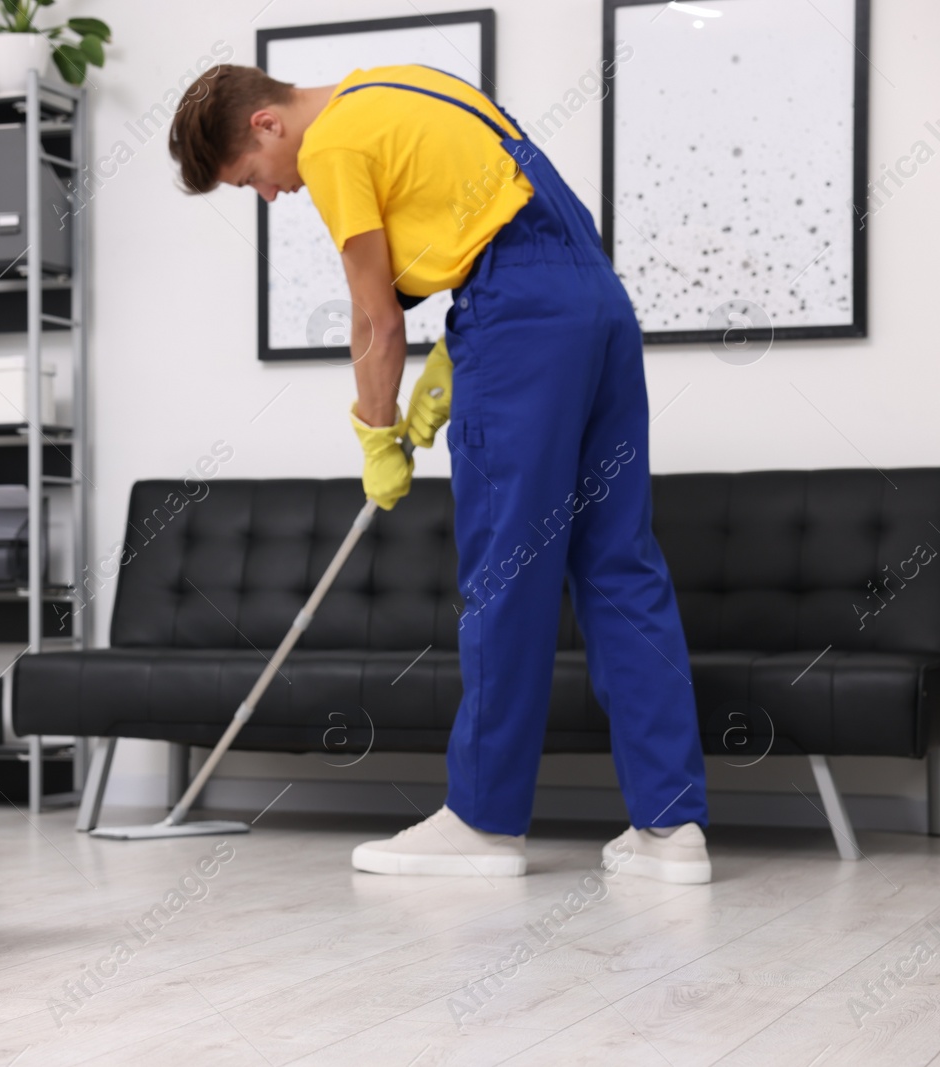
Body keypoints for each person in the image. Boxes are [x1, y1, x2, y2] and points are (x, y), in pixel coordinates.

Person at [168, 64, 711, 883]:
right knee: (619, 562)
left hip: (518, 314)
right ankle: (673, 830)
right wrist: (459, 348)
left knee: (507, 570)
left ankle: (484, 822)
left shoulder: (332, 146)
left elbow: (376, 320)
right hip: (596, 300)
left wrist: (376, 432)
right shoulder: (403, 84)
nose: (271, 196)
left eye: (252, 180)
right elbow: (510, 210)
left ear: (266, 127)